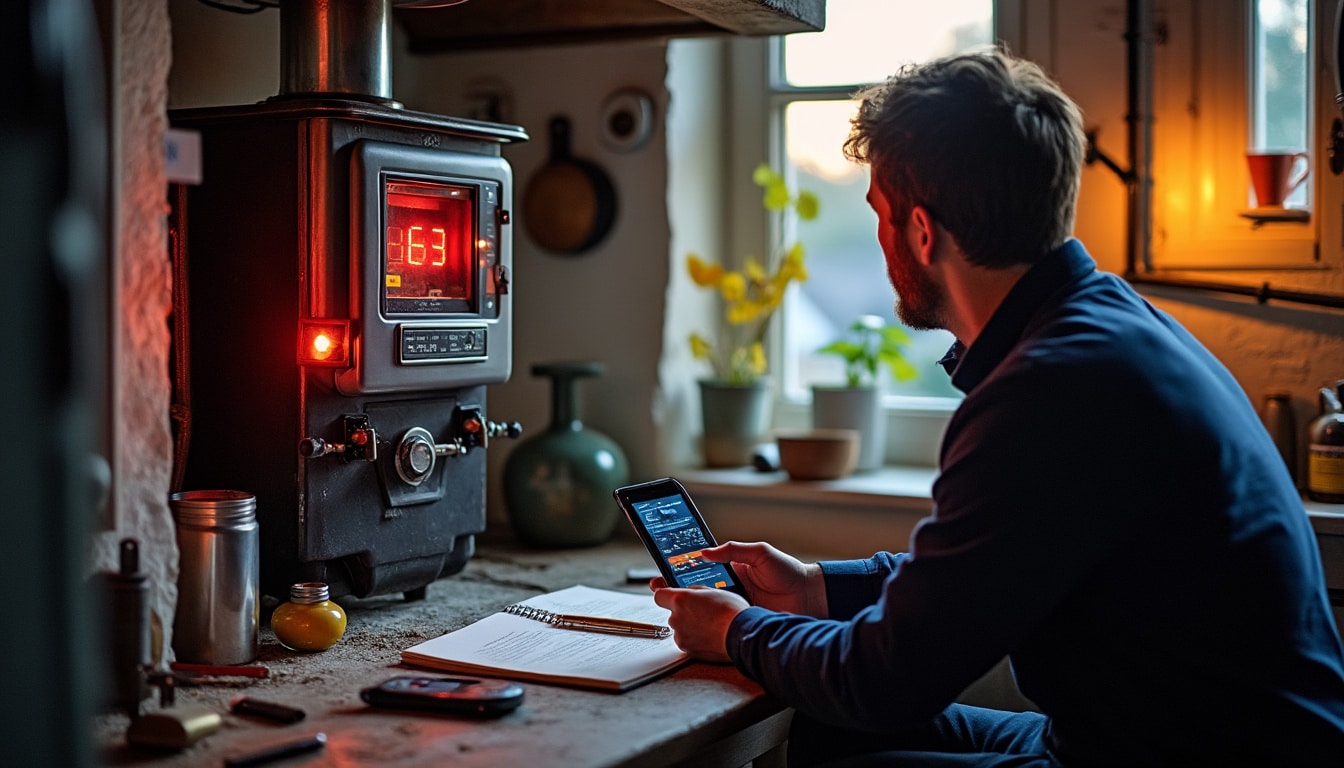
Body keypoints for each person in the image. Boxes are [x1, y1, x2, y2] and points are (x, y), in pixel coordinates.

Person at [651, 48, 1344, 767]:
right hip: (1151, 737)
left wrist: (738, 632)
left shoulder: (1048, 392)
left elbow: (884, 680)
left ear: (921, 232)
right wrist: (816, 588)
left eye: (880, 215)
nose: (881, 238)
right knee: (830, 732)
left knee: (855, 733)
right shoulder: (1110, 325)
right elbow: (976, 573)